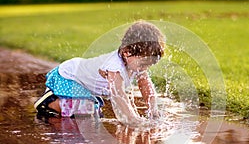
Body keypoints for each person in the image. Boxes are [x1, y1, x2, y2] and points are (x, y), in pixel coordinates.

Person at [34, 20, 165, 126]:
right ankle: (50, 102)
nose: (145, 68)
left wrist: (153, 110)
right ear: (127, 52)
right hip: (69, 76)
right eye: (143, 63)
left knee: (91, 112)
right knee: (83, 110)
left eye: (150, 64)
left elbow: (146, 85)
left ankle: (67, 102)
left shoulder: (136, 65)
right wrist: (132, 118)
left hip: (83, 83)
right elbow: (118, 95)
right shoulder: (115, 67)